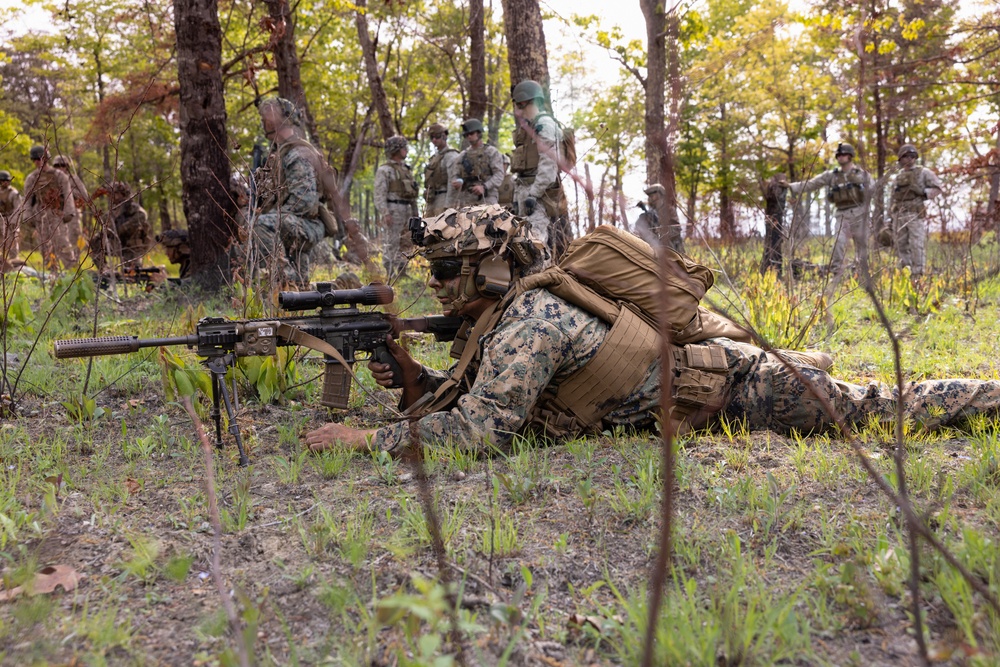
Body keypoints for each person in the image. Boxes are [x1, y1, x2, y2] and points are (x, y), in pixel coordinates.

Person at [303, 205, 1000, 456]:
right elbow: (489, 397)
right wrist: (417, 382)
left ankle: (989, 396)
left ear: (491, 267)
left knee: (880, 407)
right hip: (706, 383)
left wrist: (362, 438)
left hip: (737, 389)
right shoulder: (509, 313)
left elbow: (485, 430)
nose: (437, 282)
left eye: (449, 268)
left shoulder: (532, 318)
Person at [251, 97, 327, 286]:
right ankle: (301, 285)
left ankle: (286, 278)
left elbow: (305, 201)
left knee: (258, 224)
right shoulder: (279, 152)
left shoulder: (296, 153)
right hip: (296, 222)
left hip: (307, 224)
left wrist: (274, 215)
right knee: (303, 292)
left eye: (268, 116)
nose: (264, 121)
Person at [789, 143, 873, 276]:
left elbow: (873, 191)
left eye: (843, 154)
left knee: (862, 247)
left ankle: (862, 274)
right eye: (838, 155)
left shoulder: (862, 174)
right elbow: (812, 184)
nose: (841, 157)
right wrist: (791, 187)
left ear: (850, 156)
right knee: (839, 242)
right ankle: (836, 272)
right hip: (842, 214)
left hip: (859, 214)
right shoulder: (832, 175)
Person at [509, 80, 567, 251]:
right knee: (523, 243)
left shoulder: (544, 125)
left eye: (518, 105)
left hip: (538, 195)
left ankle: (541, 277)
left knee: (535, 244)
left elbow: (548, 166)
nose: (517, 110)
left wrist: (533, 194)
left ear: (523, 102)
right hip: (526, 191)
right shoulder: (530, 126)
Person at [18, 145, 77, 270]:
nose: (38, 162)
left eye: (40, 159)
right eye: (35, 160)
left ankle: (72, 272)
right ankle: (52, 274)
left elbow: (68, 194)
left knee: (62, 243)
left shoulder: (59, 176)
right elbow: (27, 199)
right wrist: (28, 216)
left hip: (57, 214)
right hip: (40, 215)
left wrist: (69, 212)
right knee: (44, 246)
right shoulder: (32, 178)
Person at [889, 144, 943, 276]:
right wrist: (890, 216)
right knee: (900, 244)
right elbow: (892, 197)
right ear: (900, 159)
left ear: (915, 157)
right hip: (899, 213)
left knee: (916, 244)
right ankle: (905, 271)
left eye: (912, 156)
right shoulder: (898, 177)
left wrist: (924, 192)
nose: (909, 159)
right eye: (905, 156)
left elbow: (938, 188)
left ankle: (918, 273)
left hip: (915, 213)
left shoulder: (924, 172)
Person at [374, 135, 419, 279]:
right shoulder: (385, 170)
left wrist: (415, 213)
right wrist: (385, 212)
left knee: (406, 241)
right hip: (394, 209)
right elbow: (379, 194)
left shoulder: (406, 169)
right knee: (391, 240)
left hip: (407, 209)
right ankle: (389, 272)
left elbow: (412, 194)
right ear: (396, 150)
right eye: (403, 148)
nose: (406, 150)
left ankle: (402, 271)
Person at [90, 181, 151, 270]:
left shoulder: (132, 208)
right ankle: (105, 271)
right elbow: (107, 225)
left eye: (114, 193)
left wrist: (123, 227)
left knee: (133, 273)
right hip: (118, 244)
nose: (111, 196)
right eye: (110, 194)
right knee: (95, 241)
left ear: (122, 194)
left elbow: (142, 216)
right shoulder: (114, 210)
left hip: (132, 246)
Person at [449, 119, 504, 208]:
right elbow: (455, 175)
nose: (469, 137)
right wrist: (458, 182)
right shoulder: (462, 156)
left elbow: (499, 174)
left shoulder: (491, 152)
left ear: (478, 133)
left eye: (471, 134)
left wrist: (485, 187)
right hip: (467, 198)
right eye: (466, 135)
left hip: (487, 197)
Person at [52, 155, 90, 257]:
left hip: (72, 212)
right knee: (59, 239)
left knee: (73, 237)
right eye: (57, 166)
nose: (60, 168)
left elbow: (84, 196)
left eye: (62, 166)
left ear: (66, 167)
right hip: (57, 213)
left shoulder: (74, 179)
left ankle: (75, 264)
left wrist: (68, 192)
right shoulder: (52, 181)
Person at [422, 123, 458, 218]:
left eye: (437, 136)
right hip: (432, 199)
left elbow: (453, 182)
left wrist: (449, 205)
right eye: (432, 137)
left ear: (444, 136)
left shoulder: (451, 156)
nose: (434, 140)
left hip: (444, 197)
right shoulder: (434, 157)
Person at [0, 170, 21, 270]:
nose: (6, 182)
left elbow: (18, 209)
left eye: (7, 180)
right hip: (0, 218)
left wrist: (14, 223)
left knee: (11, 242)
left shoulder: (13, 193)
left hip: (9, 218)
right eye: (3, 180)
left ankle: (14, 264)